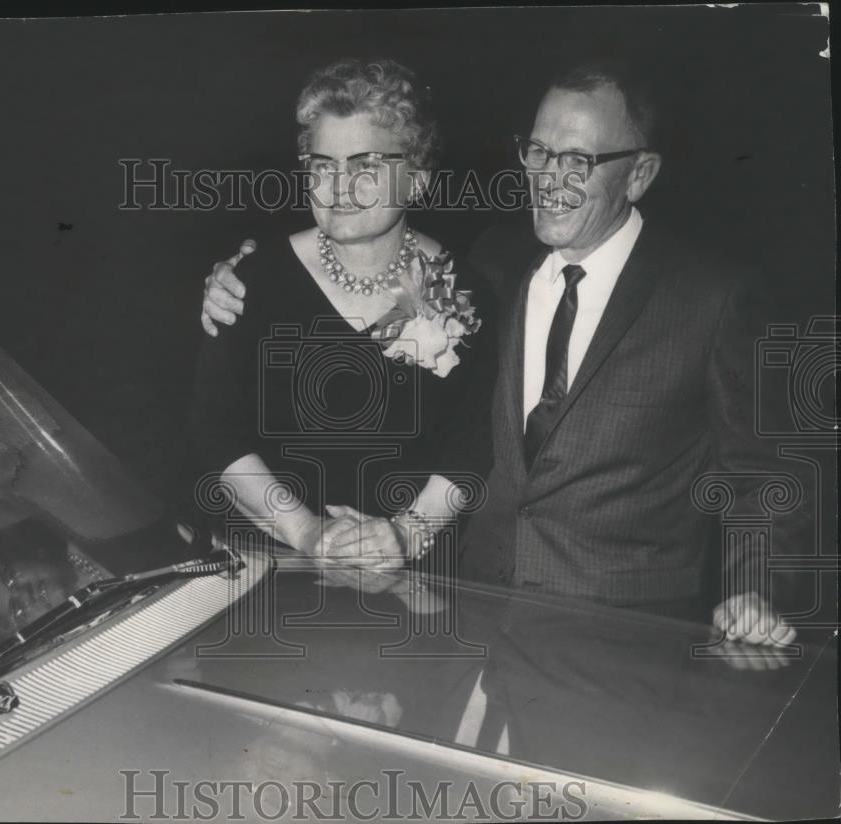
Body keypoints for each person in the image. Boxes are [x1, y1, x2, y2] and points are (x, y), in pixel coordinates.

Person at [198, 57, 801, 646]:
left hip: (626, 627)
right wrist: (232, 279)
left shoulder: (714, 296)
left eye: (577, 161)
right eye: (538, 153)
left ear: (639, 174)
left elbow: (767, 473)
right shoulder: (495, 263)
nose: (550, 179)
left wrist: (755, 591)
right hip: (470, 602)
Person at [191, 58, 496, 564]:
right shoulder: (253, 281)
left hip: (410, 574)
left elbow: (474, 443)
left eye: (366, 166)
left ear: (416, 179)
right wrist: (308, 532)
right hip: (266, 564)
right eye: (323, 165)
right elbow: (214, 430)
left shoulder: (463, 290)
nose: (338, 187)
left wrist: (405, 534)